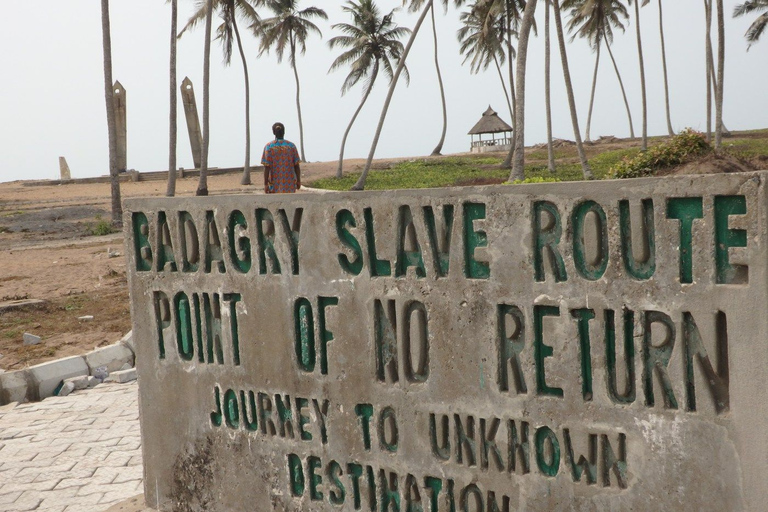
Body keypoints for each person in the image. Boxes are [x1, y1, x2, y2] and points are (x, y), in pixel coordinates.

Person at [261, 122, 301, 194]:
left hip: (274, 185)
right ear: (284, 132)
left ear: (273, 132)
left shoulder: (269, 147)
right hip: (289, 184)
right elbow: (296, 166)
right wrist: (298, 180)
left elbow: (266, 167)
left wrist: (265, 184)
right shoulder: (291, 146)